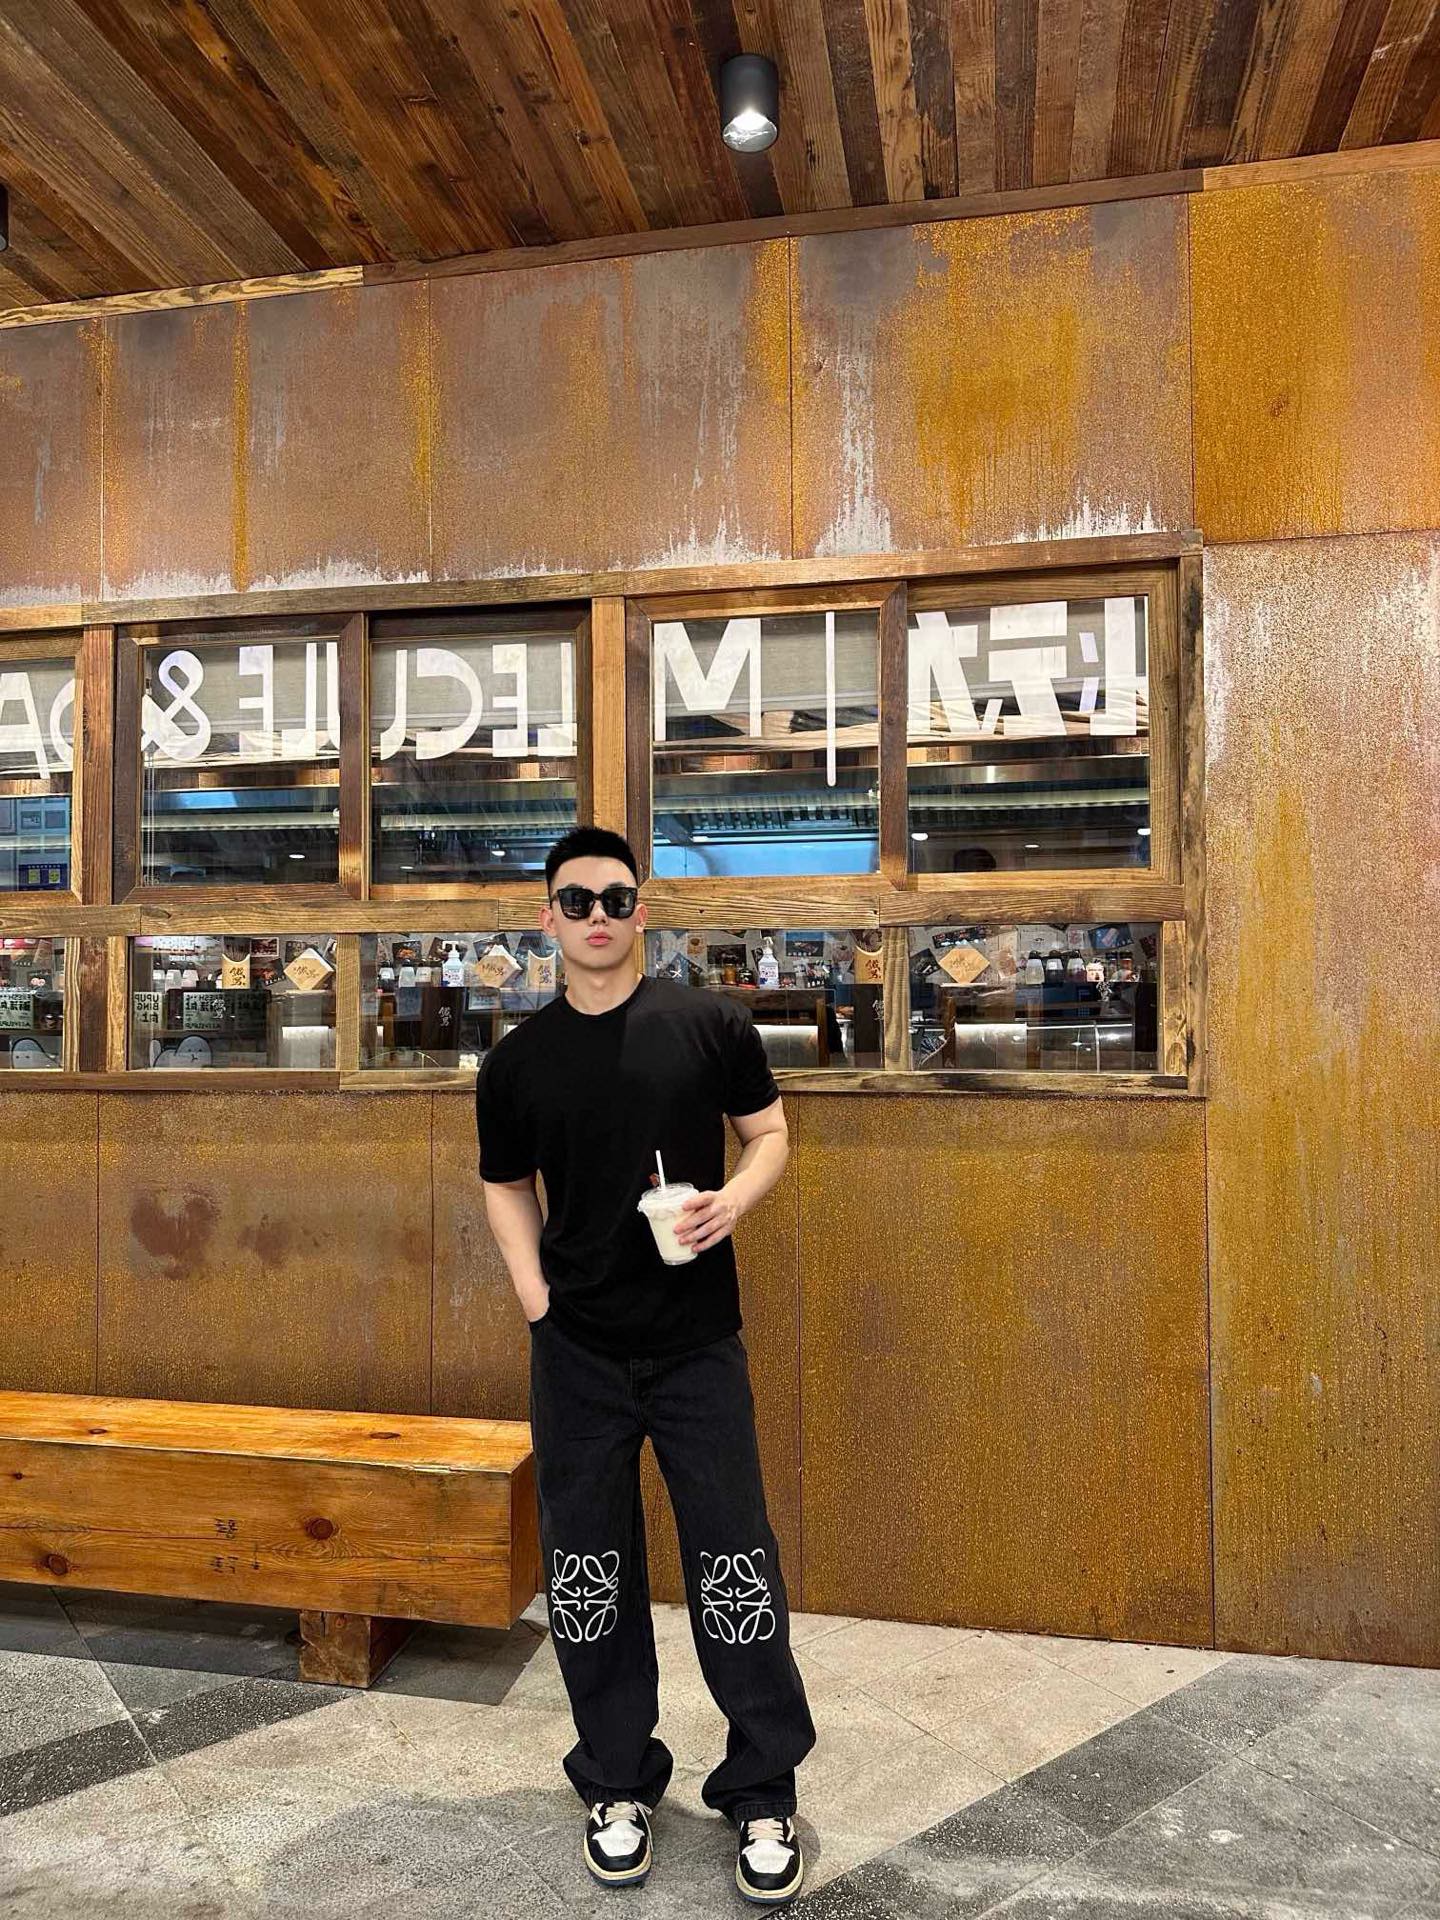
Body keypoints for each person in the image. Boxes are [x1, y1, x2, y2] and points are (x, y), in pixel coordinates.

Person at [475, 825, 816, 1905]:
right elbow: (503, 1184)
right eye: (577, 901)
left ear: (642, 911)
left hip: (696, 1344)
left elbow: (770, 1134)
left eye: (615, 898)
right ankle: (616, 1781)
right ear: (547, 918)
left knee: (735, 1563)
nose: (597, 917)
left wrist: (732, 1203)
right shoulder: (517, 1062)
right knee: (590, 1573)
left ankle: (762, 1790)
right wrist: (537, 1301)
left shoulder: (709, 1025)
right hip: (576, 1351)